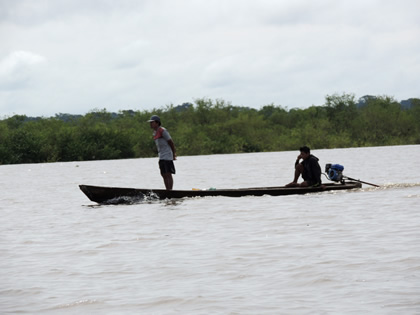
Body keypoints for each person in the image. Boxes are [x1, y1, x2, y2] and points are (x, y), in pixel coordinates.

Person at [148, 115, 176, 190]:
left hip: (167, 155)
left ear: (157, 123)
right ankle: (167, 190)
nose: (151, 124)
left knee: (168, 174)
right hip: (161, 156)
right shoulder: (155, 132)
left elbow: (171, 142)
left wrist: (174, 154)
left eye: (152, 122)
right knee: (163, 174)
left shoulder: (162, 130)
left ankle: (170, 191)